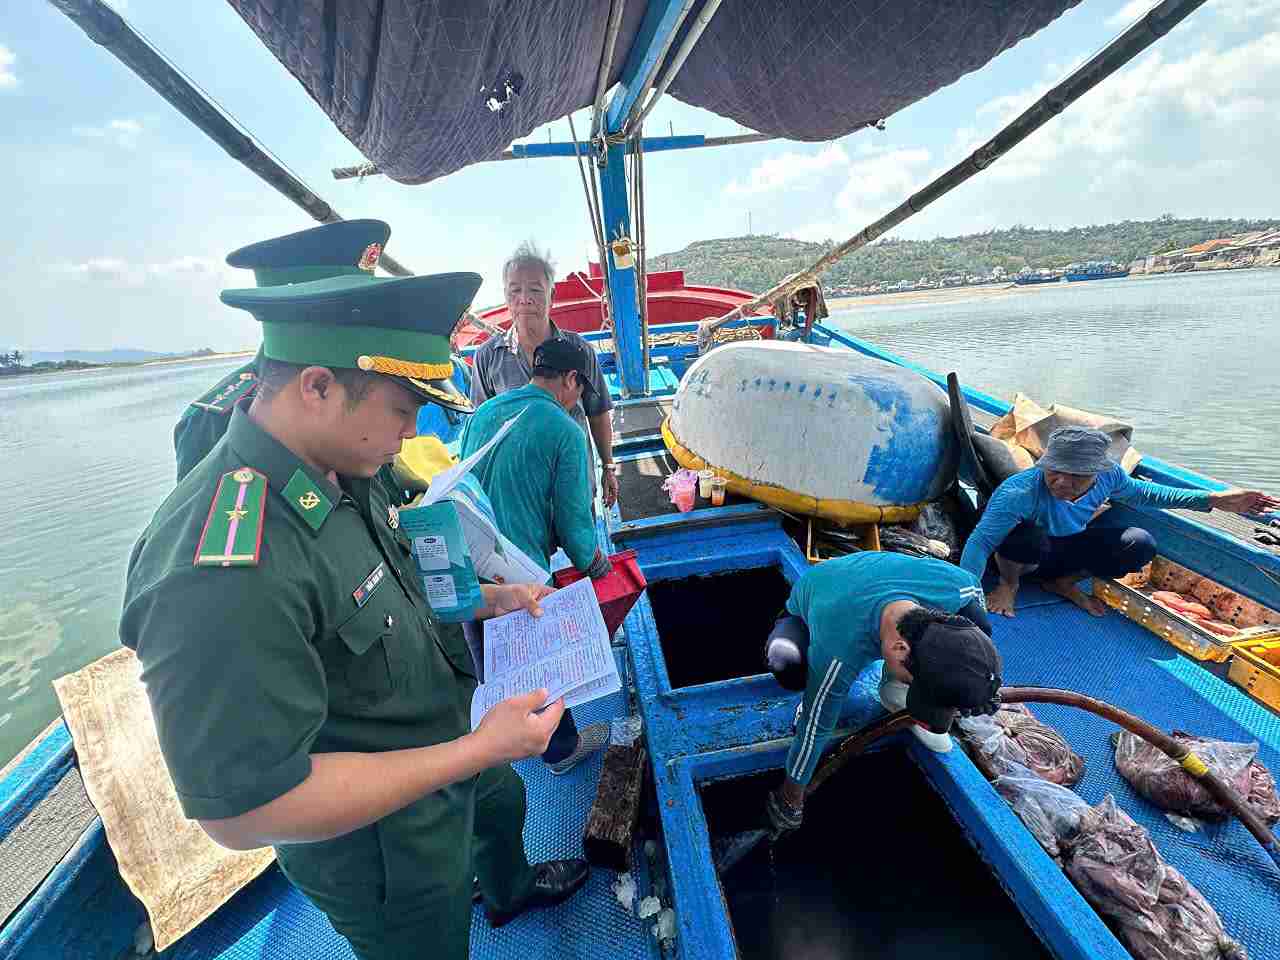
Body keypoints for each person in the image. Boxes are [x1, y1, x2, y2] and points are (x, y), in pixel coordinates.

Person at [121, 260, 589, 960]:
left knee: (505, 805)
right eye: (403, 411)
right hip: (382, 846)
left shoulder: (346, 465)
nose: (412, 433)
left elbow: (395, 583)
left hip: (446, 735)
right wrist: (477, 749)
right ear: (317, 387)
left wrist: (497, 599)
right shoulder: (220, 569)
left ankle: (509, 889)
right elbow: (246, 811)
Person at [459, 336, 613, 776]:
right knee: (540, 660)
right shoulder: (565, 430)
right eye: (580, 389)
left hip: (467, 567)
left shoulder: (485, 412)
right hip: (519, 572)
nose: (578, 399)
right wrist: (594, 562)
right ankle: (560, 750)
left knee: (490, 659)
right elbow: (573, 523)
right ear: (570, 380)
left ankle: (498, 744)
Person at [762, 551, 1002, 833]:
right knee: (787, 660)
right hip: (822, 593)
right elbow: (815, 727)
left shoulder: (951, 588)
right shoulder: (838, 649)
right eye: (916, 684)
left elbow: (974, 589)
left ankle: (894, 687)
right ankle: (888, 684)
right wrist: (791, 795)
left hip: (881, 582)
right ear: (899, 649)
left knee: (977, 624)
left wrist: (979, 684)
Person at [173, 220, 416, 482]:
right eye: (342, 300)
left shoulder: (364, 376)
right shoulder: (210, 419)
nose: (357, 314)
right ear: (291, 303)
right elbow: (216, 511)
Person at [961, 426, 1280, 618]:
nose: (1061, 481)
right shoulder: (1019, 491)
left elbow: (1149, 494)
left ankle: (1062, 582)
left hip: (1062, 547)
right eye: (1055, 469)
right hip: (1016, 556)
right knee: (1027, 536)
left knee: (1139, 543)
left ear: (1097, 473)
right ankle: (1010, 585)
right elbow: (980, 543)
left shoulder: (1109, 476)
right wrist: (966, 597)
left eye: (1076, 475)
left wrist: (1214, 499)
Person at [470, 243, 619, 509]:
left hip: (574, 481)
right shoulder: (487, 357)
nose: (524, 298)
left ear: (552, 294)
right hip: (520, 490)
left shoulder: (580, 350)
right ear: (506, 296)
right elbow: (484, 423)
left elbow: (597, 412)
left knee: (582, 544)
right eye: (515, 290)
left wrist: (608, 466)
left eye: (535, 290)